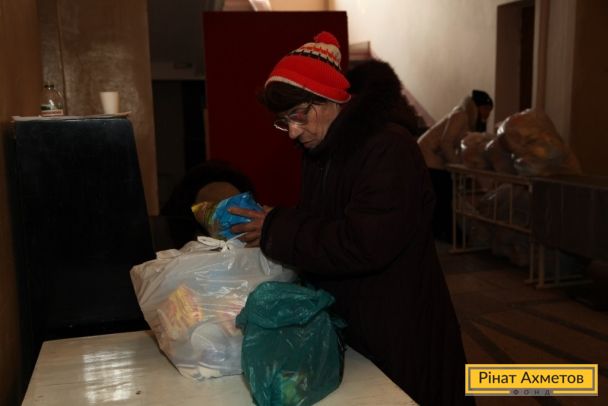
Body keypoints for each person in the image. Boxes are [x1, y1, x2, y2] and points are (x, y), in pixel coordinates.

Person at [228, 31, 472, 405]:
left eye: (298, 115)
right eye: (283, 120)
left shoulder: (388, 148)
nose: (292, 131)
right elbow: (323, 222)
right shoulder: (322, 148)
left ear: (330, 99)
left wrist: (278, 228)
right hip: (357, 323)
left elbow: (364, 242)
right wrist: (280, 223)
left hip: (400, 327)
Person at [417, 90, 494, 241]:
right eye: (486, 109)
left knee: (443, 196)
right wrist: (457, 165)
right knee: (444, 196)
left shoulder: (463, 116)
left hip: (433, 158)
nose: (487, 114)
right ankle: (448, 233)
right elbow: (446, 142)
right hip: (429, 158)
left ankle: (444, 232)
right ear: (479, 107)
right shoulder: (461, 116)